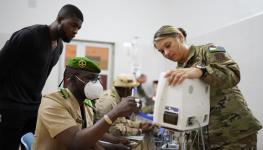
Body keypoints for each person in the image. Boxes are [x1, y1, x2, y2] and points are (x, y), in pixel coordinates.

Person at [153, 25, 262, 149]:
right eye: (161, 51)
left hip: (233, 134)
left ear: (180, 37)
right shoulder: (178, 72)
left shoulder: (209, 50)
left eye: (168, 45)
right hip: (201, 141)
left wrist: (201, 71)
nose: (166, 53)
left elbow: (233, 73)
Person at [0, 4, 83, 150]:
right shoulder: (30, 35)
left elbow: (40, 79)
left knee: (41, 145)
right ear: (60, 18)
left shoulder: (59, 46)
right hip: (12, 107)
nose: (75, 31)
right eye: (73, 25)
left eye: (79, 28)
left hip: (34, 107)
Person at [33, 57, 139, 150]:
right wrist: (114, 113)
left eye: (97, 79)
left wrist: (115, 144)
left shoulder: (86, 104)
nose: (96, 84)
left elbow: (89, 139)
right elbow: (76, 142)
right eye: (89, 78)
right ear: (69, 78)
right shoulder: (53, 103)